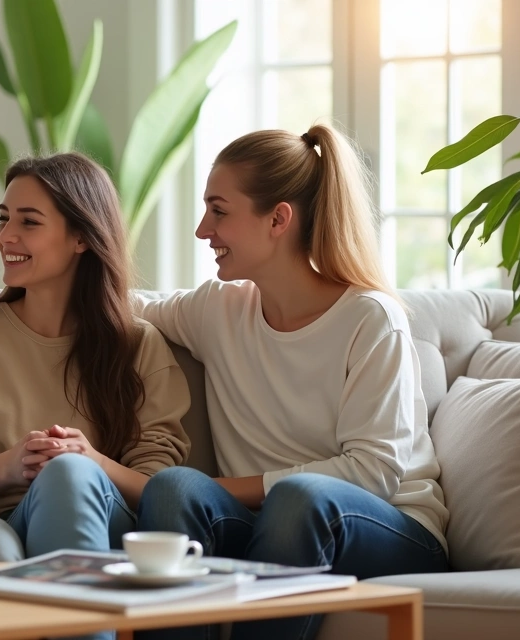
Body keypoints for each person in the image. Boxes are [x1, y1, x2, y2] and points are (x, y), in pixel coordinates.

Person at [134, 124, 450, 640]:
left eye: (219, 210)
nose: (201, 230)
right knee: (173, 488)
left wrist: (232, 489)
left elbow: (374, 470)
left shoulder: (370, 319)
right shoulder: (219, 309)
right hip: (273, 528)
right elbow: (119, 307)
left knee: (299, 499)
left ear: (278, 218)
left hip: (390, 529)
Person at [0, 152, 192, 587]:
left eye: (29, 222)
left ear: (81, 237)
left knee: (70, 472)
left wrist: (91, 460)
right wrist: (15, 463)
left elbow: (159, 491)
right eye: (3, 219)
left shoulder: (139, 346)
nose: (5, 236)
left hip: (104, 523)